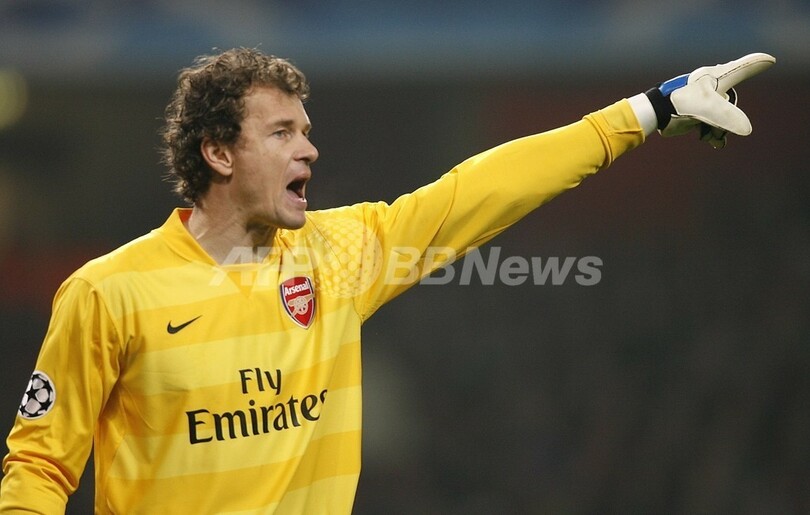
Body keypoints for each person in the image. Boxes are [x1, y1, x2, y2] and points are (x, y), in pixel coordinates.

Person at [0, 48, 774, 513]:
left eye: (306, 131)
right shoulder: (110, 292)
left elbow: (477, 191)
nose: (309, 149)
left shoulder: (340, 254)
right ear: (219, 152)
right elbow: (39, 465)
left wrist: (648, 109)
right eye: (281, 132)